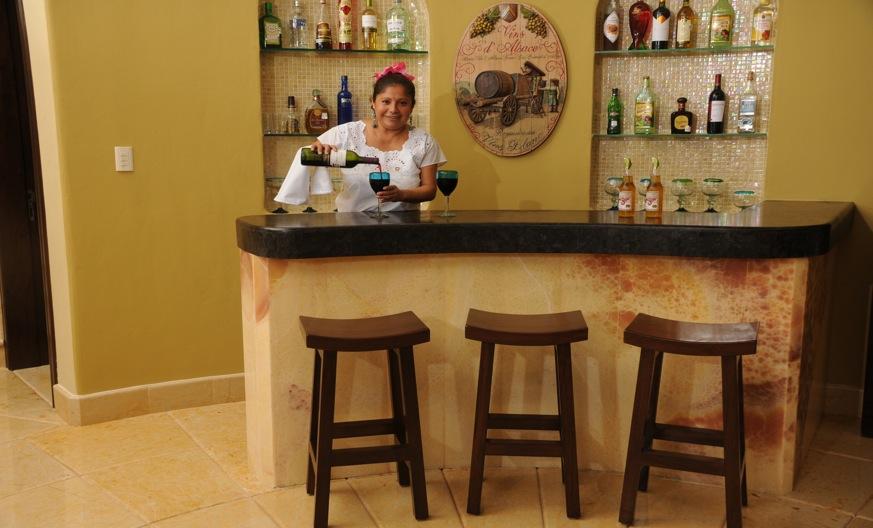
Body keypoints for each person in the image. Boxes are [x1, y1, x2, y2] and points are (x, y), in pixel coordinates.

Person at [306, 62, 446, 213]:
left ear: (412, 106)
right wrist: (319, 150)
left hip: (405, 224)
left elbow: (430, 190)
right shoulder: (348, 132)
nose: (393, 109)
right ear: (373, 103)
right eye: (386, 101)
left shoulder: (424, 142)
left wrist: (401, 195)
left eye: (403, 103)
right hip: (350, 223)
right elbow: (309, 152)